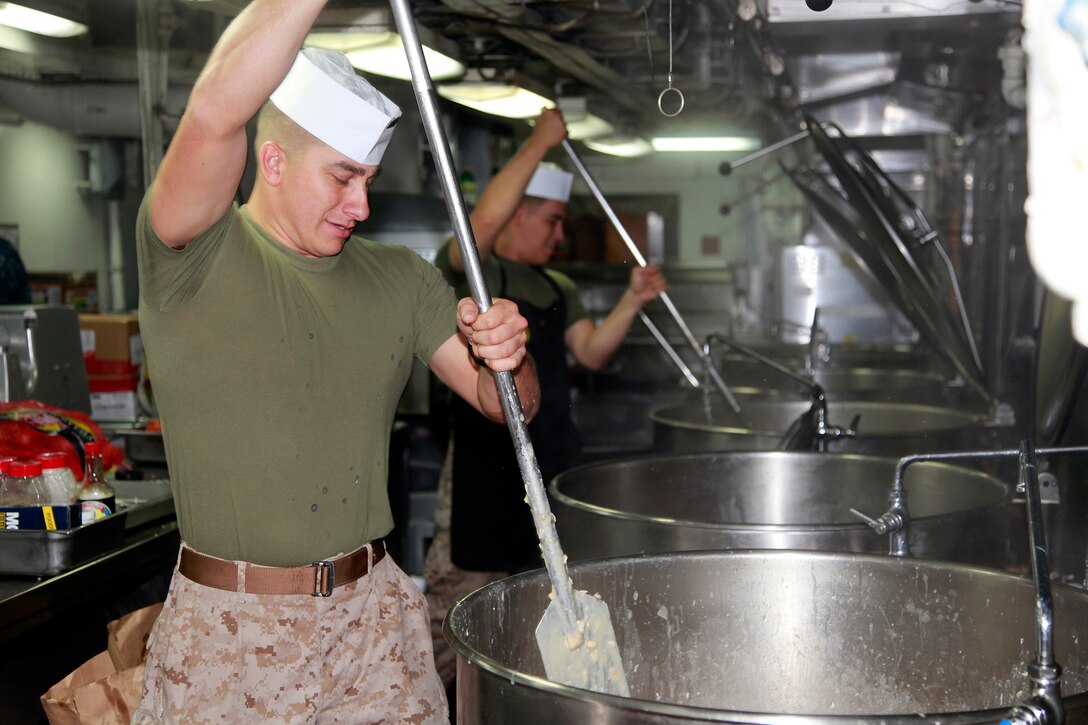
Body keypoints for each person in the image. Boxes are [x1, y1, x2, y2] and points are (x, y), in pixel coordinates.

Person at [131, 2, 538, 723]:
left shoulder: (400, 278)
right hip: (230, 636)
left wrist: (510, 356)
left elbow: (506, 403)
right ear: (275, 160)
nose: (362, 203)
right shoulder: (193, 252)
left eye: (371, 179)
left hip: (372, 625)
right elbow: (214, 115)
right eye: (344, 176)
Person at [424, 108, 667, 688]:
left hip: (549, 457)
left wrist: (632, 302)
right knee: (458, 614)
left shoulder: (557, 286)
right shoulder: (476, 273)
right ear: (516, 213)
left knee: (537, 608)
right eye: (551, 221)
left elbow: (591, 353)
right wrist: (538, 142)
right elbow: (474, 227)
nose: (560, 237)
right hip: (484, 470)